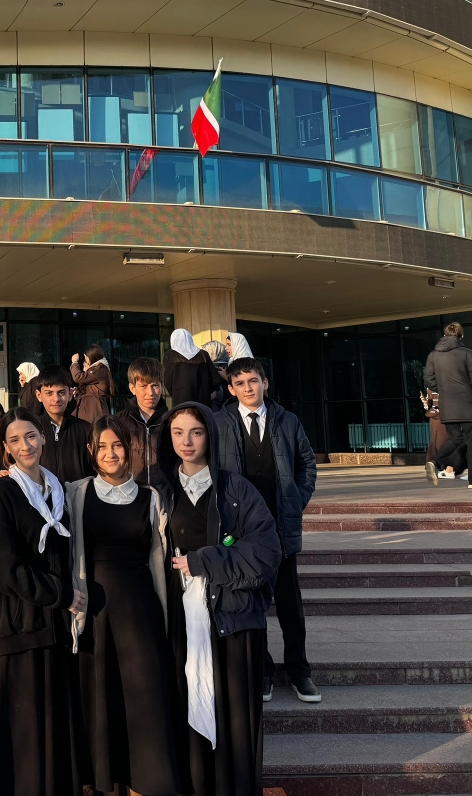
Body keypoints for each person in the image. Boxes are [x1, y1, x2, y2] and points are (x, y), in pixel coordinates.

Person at [156, 403, 281, 796]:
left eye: (196, 432)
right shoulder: (160, 493)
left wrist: (203, 561)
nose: (187, 441)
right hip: (182, 623)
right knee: (188, 712)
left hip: (232, 622)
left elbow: (266, 553)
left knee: (234, 722)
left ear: (210, 435)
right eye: (178, 432)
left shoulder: (236, 489)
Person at [68, 415, 182, 796]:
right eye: (102, 446)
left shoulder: (151, 498)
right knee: (104, 702)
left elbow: (159, 556)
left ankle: (144, 785)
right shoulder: (76, 493)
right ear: (91, 451)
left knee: (145, 702)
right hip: (95, 615)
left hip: (141, 612)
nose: (110, 453)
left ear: (130, 449)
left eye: (117, 445)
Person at [0, 407, 87, 796]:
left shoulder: (58, 491)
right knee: (23, 742)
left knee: (54, 735)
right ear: (5, 449)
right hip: (18, 629)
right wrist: (60, 594)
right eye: (14, 440)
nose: (25, 445)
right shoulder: (1, 495)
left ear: (43, 437)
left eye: (30, 436)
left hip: (55, 629)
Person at [214, 358, 320, 705]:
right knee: (251, 604)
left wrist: (295, 500)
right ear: (231, 389)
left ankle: (300, 672)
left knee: (290, 606)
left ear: (265, 383)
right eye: (240, 383)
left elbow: (306, 464)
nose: (248, 388)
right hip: (242, 532)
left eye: (253, 381)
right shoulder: (219, 423)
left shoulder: (287, 421)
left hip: (280, 527)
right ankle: (262, 670)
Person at [423, 322, 472, 489]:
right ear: (461, 336)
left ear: (445, 335)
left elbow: (428, 380)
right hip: (468, 405)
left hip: (447, 405)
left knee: (455, 439)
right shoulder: (468, 353)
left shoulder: (433, 356)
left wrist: (444, 391)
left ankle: (434, 462)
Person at [34, 365, 94, 484]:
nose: (56, 399)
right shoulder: (31, 430)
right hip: (41, 494)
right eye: (49, 393)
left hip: (77, 493)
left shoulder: (85, 430)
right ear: (39, 395)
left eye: (61, 392)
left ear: (70, 394)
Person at [115, 356, 166, 483]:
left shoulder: (172, 420)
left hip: (164, 491)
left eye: (155, 385)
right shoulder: (118, 422)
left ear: (162, 387)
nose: (150, 392)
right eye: (143, 386)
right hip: (129, 490)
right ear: (132, 388)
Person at [163, 329, 225, 410]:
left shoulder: (170, 356)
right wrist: (207, 390)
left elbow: (167, 382)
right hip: (203, 402)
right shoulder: (203, 354)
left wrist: (176, 394)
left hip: (181, 403)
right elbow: (217, 379)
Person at [70, 343, 114, 424]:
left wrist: (74, 363)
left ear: (90, 357)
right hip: (87, 408)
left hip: (94, 408)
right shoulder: (95, 369)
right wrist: (77, 391)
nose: (85, 359)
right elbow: (86, 387)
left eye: (86, 356)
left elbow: (77, 377)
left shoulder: (100, 369)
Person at [421, 389, 454, 478]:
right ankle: (438, 466)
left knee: (442, 441)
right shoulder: (430, 387)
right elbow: (428, 404)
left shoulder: (445, 383)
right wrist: (425, 403)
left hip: (444, 416)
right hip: (433, 417)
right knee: (435, 441)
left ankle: (445, 467)